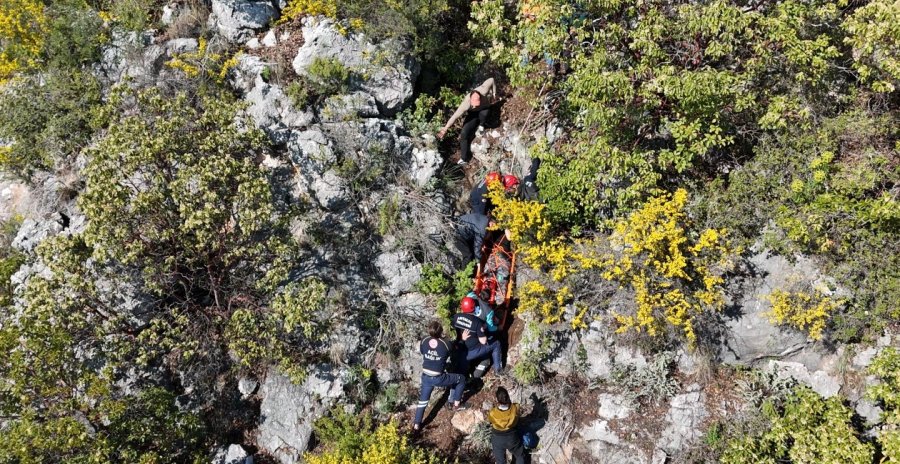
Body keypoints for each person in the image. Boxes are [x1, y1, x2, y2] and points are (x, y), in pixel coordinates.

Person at [413, 320, 469, 432]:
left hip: (425, 377)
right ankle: (456, 404)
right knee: (461, 379)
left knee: (422, 402)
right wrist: (462, 339)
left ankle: (416, 425)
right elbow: (455, 349)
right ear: (441, 331)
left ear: (429, 330)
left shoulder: (424, 340)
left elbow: (423, 351)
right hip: (439, 378)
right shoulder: (446, 344)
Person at [437, 78, 499, 165]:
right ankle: (464, 158)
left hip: (484, 109)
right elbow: (455, 116)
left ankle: (482, 125)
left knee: (483, 114)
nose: (475, 106)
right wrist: (445, 128)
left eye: (477, 104)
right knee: (464, 133)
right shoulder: (466, 104)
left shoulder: (483, 90)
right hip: (473, 115)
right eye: (473, 105)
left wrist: (494, 93)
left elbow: (492, 79)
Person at [451, 297, 503, 377]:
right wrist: (483, 329)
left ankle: (465, 376)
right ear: (474, 307)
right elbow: (483, 341)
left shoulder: (456, 317)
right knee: (496, 344)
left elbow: (455, 329)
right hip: (473, 350)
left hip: (461, 349)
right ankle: (498, 370)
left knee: (462, 369)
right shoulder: (476, 321)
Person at [488, 387, 526, 464]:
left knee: (500, 461)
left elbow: (490, 421)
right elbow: (517, 414)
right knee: (519, 455)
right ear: (508, 397)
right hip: (512, 437)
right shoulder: (515, 408)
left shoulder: (492, 413)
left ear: (497, 400)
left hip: (497, 439)